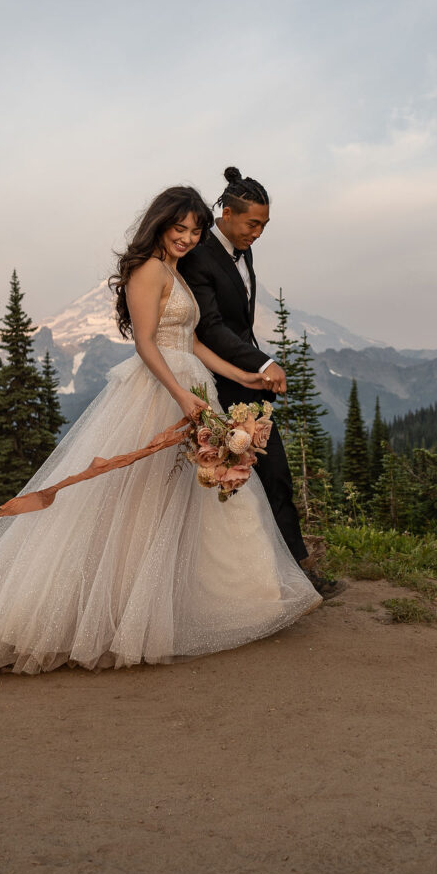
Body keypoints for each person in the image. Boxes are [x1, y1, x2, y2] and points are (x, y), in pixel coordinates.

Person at [0, 186, 321, 690]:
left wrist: (243, 379)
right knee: (136, 503)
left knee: (187, 503)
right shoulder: (148, 270)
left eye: (195, 231)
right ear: (159, 225)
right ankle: (112, 614)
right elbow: (145, 342)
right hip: (160, 392)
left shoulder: (174, 272)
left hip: (192, 386)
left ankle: (196, 604)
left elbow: (194, 341)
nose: (187, 238)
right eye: (179, 229)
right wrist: (179, 394)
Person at [178, 167, 331, 590]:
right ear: (226, 213)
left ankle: (294, 572)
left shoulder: (242, 249)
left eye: (264, 225)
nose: (258, 233)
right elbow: (209, 327)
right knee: (239, 478)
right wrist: (262, 364)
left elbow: (239, 322)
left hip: (246, 380)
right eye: (253, 223)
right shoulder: (198, 256)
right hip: (216, 383)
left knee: (273, 474)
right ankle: (277, 578)